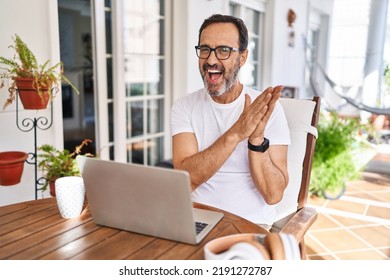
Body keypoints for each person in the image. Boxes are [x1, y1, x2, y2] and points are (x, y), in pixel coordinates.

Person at [171, 14, 291, 228]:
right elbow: (185, 181)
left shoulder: (267, 109)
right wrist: (236, 133)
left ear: (243, 57)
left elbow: (273, 195)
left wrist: (256, 140)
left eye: (223, 50)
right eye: (205, 49)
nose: (211, 60)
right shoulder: (184, 107)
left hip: (251, 223)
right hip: (196, 219)